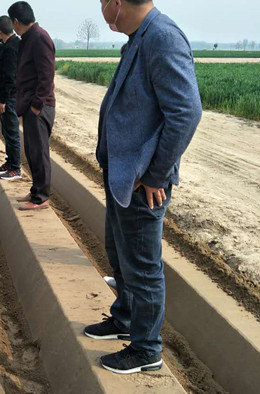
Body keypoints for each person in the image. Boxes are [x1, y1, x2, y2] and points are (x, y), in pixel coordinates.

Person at [84, 0, 202, 374]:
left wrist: (155, 175)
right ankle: (124, 317)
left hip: (142, 180)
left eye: (102, 2)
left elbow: (186, 112)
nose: (101, 9)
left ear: (116, 3)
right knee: (120, 253)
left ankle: (146, 349)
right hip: (122, 174)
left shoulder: (163, 38)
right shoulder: (140, 36)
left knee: (143, 266)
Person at [7, 2, 55, 211]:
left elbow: (47, 75)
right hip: (30, 104)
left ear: (16, 21)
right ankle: (35, 190)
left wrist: (36, 105)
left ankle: (41, 198)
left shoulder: (40, 38)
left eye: (12, 23)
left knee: (39, 152)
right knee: (32, 151)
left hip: (39, 106)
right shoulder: (29, 38)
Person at [0, 16, 22, 182]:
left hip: (10, 98)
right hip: (10, 96)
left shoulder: (10, 49)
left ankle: (15, 169)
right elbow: (0, 47)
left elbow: (9, 78)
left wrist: (2, 100)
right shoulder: (12, 44)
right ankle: (10, 163)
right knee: (6, 131)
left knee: (12, 131)